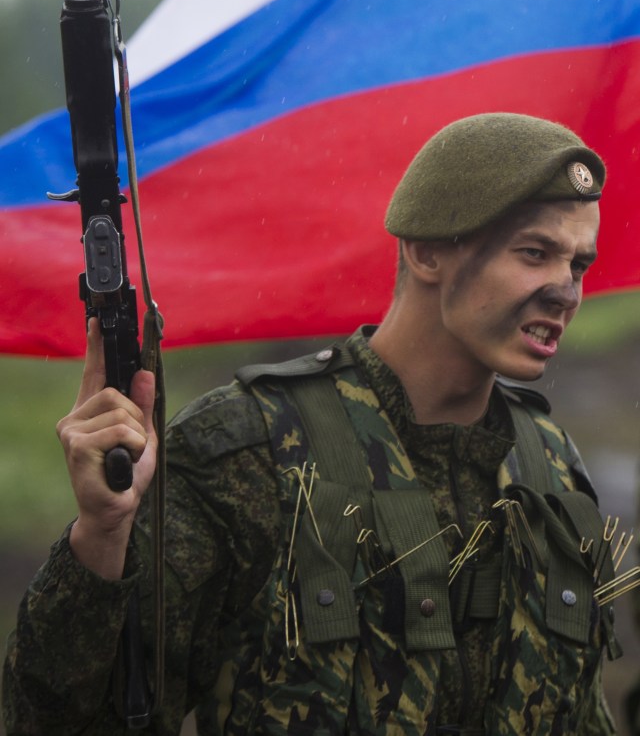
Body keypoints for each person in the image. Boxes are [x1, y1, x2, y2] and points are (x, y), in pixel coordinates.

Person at [2, 112, 623, 735]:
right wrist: (102, 538)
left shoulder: (553, 473)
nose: (566, 292)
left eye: (578, 266)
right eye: (535, 254)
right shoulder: (251, 450)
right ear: (428, 250)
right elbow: (61, 720)